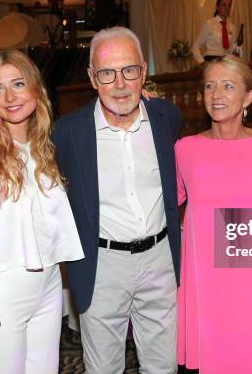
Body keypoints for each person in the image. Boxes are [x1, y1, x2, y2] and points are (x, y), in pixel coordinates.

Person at [52, 26, 181, 374]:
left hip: (160, 260)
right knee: (103, 367)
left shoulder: (167, 118)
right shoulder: (67, 132)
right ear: (93, 78)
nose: (120, 84)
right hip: (101, 264)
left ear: (143, 72)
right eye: (108, 73)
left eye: (129, 70)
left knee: (163, 365)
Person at [0, 49, 84, 373]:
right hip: (2, 291)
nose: (9, 96)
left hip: (49, 284)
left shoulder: (42, 149)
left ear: (36, 90)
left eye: (18, 83)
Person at [175, 55, 252, 373]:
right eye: (210, 86)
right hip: (206, 282)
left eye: (228, 86)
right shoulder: (184, 149)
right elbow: (163, 205)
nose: (217, 94)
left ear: (249, 97)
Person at [191, 0, 237, 65]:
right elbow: (195, 47)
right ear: (217, 7)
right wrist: (202, 62)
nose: (226, 8)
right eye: (224, 5)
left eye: (229, 5)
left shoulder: (232, 27)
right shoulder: (209, 23)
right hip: (212, 61)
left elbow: (232, 48)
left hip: (227, 62)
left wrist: (235, 54)